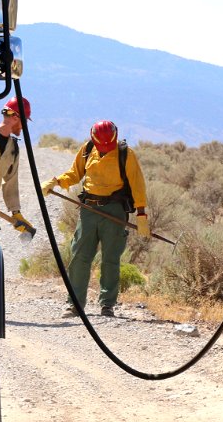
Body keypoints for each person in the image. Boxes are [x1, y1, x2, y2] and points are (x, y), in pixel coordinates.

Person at [40, 120, 149, 318]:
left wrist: (141, 214)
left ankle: (107, 305)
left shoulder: (126, 154)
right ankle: (75, 304)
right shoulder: (87, 149)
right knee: (80, 256)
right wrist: (56, 182)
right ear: (93, 138)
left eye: (109, 144)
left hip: (115, 211)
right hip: (88, 209)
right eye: (102, 145)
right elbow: (75, 174)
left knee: (110, 259)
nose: (106, 148)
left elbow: (137, 184)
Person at [0, 96, 35, 237]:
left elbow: (11, 180)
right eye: (24, 121)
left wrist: (15, 213)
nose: (24, 126)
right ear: (16, 117)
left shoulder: (13, 148)